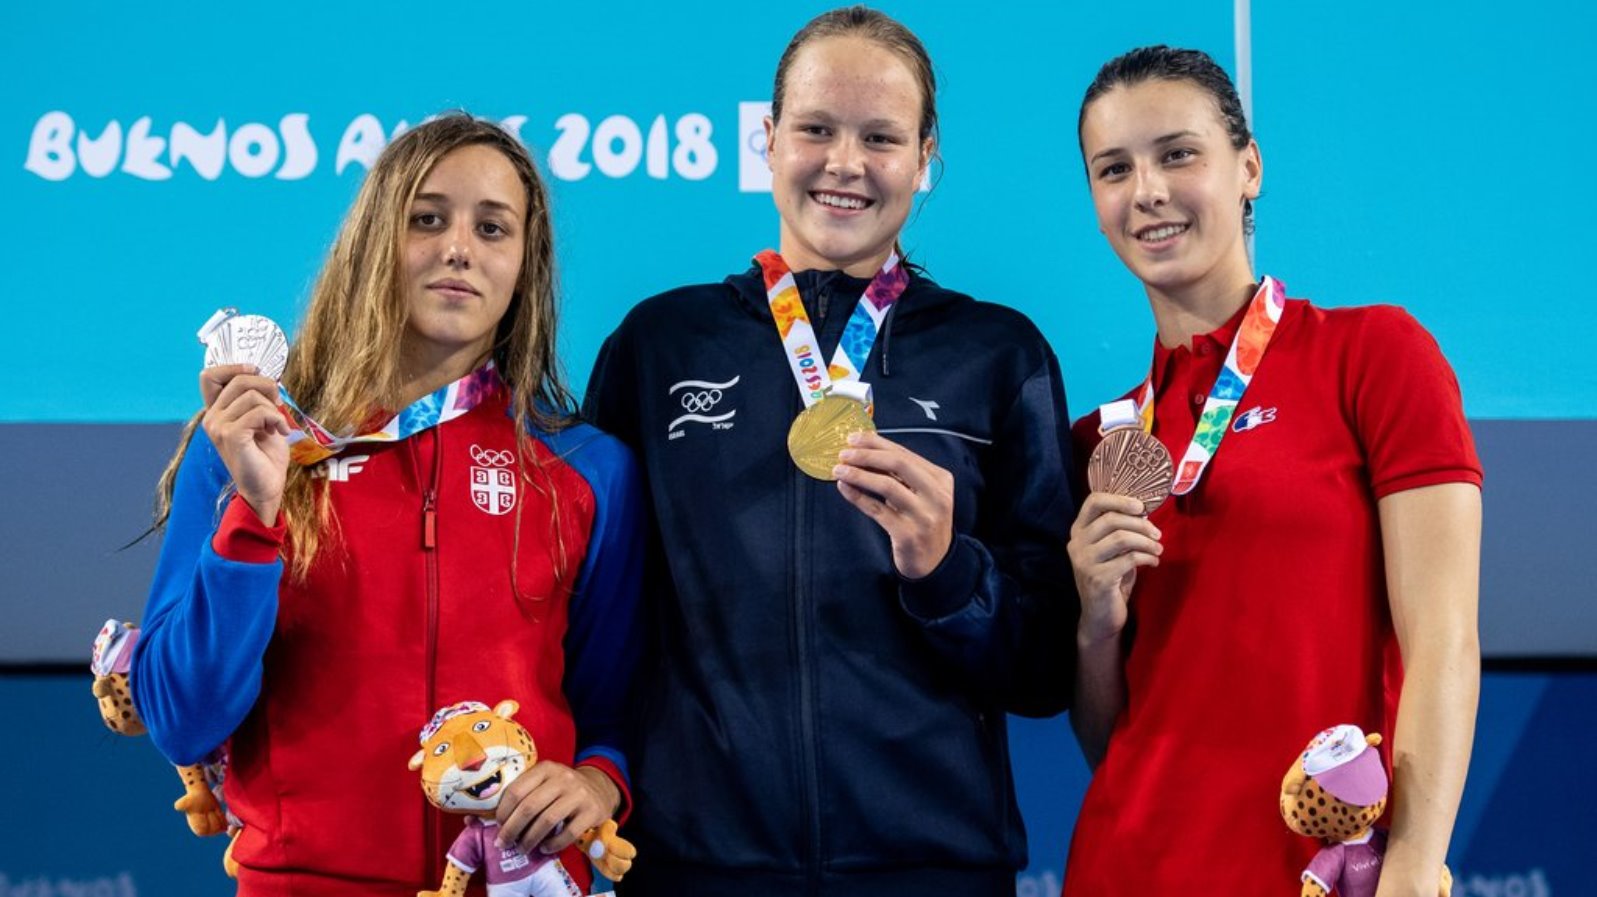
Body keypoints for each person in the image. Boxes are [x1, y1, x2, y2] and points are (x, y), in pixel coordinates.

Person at [582, 7, 1077, 896]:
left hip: (932, 867)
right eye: (816, 128)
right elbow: (594, 615)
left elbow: (1045, 668)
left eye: (880, 137)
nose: (844, 163)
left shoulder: (997, 354)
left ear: (926, 158)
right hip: (697, 865)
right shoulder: (662, 344)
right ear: (767, 141)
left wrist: (946, 571)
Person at [131, 114, 644, 897]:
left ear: (523, 267)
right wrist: (256, 514)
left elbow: (614, 707)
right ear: (375, 242)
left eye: (492, 227)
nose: (458, 248)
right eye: (426, 218)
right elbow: (181, 717)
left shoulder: (584, 469)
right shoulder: (255, 442)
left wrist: (599, 781)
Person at [1063, 46, 1482, 897]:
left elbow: (1445, 638)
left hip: (1318, 873)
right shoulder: (1099, 444)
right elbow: (1109, 735)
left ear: (1247, 167)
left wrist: (1410, 865)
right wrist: (1095, 624)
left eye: (1177, 154)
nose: (1146, 189)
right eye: (1115, 168)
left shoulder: (1371, 356)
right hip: (1125, 867)